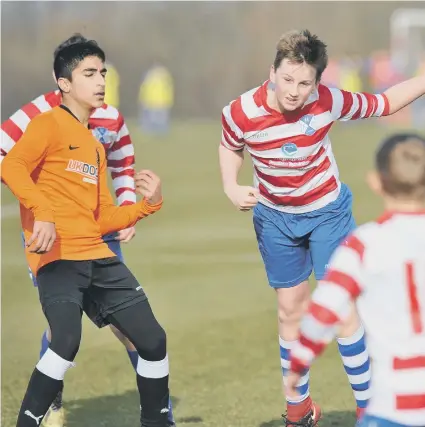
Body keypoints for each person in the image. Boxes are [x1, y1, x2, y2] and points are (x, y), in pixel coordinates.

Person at [219, 29, 425, 426]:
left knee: (343, 309)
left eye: (305, 82)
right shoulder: (241, 111)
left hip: (327, 212)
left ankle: (368, 406)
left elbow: (385, 102)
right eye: (287, 79)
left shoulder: (329, 101)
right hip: (275, 217)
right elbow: (230, 144)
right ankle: (298, 408)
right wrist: (231, 184)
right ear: (272, 72)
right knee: (289, 311)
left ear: (317, 82)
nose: (295, 91)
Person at [0, 33, 175, 427]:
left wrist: (148, 205)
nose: (100, 81)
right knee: (65, 341)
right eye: (89, 73)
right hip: (58, 257)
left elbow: (102, 217)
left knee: (153, 340)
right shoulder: (45, 124)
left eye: (103, 73)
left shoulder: (95, 143)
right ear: (64, 83)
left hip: (98, 254)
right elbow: (9, 165)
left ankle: (158, 422)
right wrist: (41, 211)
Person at [287, 132, 425, 427]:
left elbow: (324, 311)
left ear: (376, 182)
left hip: (393, 404)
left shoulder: (363, 245)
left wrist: (299, 362)